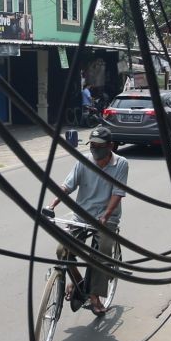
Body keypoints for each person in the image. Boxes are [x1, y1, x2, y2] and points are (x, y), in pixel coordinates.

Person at [48, 126, 128, 315]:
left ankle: (94, 295)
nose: (95, 149)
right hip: (81, 216)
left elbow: (118, 193)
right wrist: (51, 205)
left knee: (101, 251)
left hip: (106, 218)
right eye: (92, 145)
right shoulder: (84, 161)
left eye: (99, 146)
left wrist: (106, 215)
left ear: (110, 146)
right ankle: (79, 282)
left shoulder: (121, 164)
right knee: (62, 250)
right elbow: (67, 187)